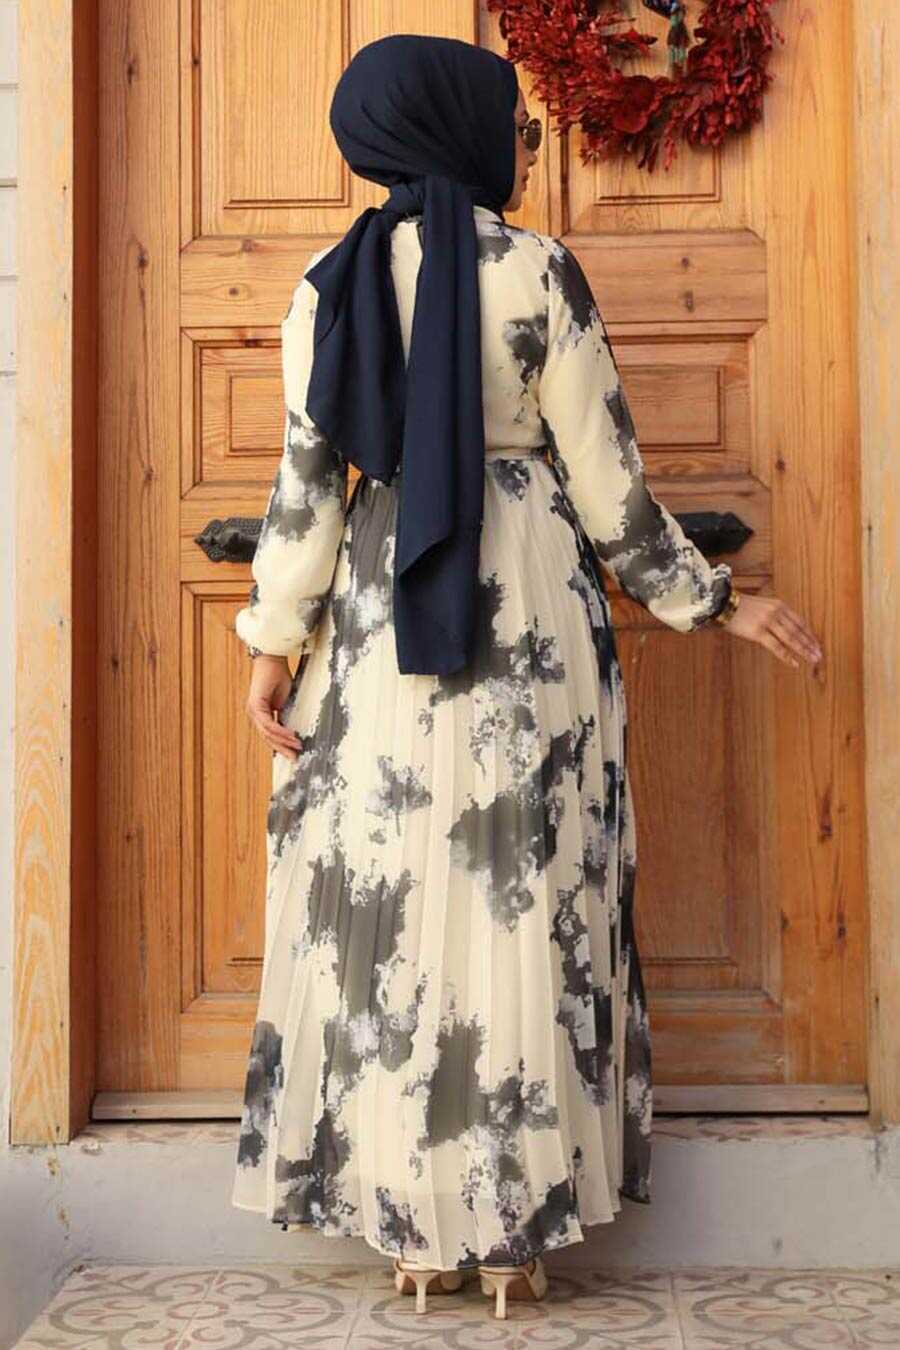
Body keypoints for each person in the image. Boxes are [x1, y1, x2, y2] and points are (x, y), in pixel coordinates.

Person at [230, 33, 822, 1321]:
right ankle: (514, 1238)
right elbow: (610, 487)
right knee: (525, 894)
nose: (527, 144)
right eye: (515, 122)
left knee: (392, 904)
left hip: (380, 623)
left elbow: (305, 492)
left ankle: (413, 1231)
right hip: (532, 616)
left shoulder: (327, 287)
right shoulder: (538, 270)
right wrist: (717, 601)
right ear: (455, 127)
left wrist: (274, 646)